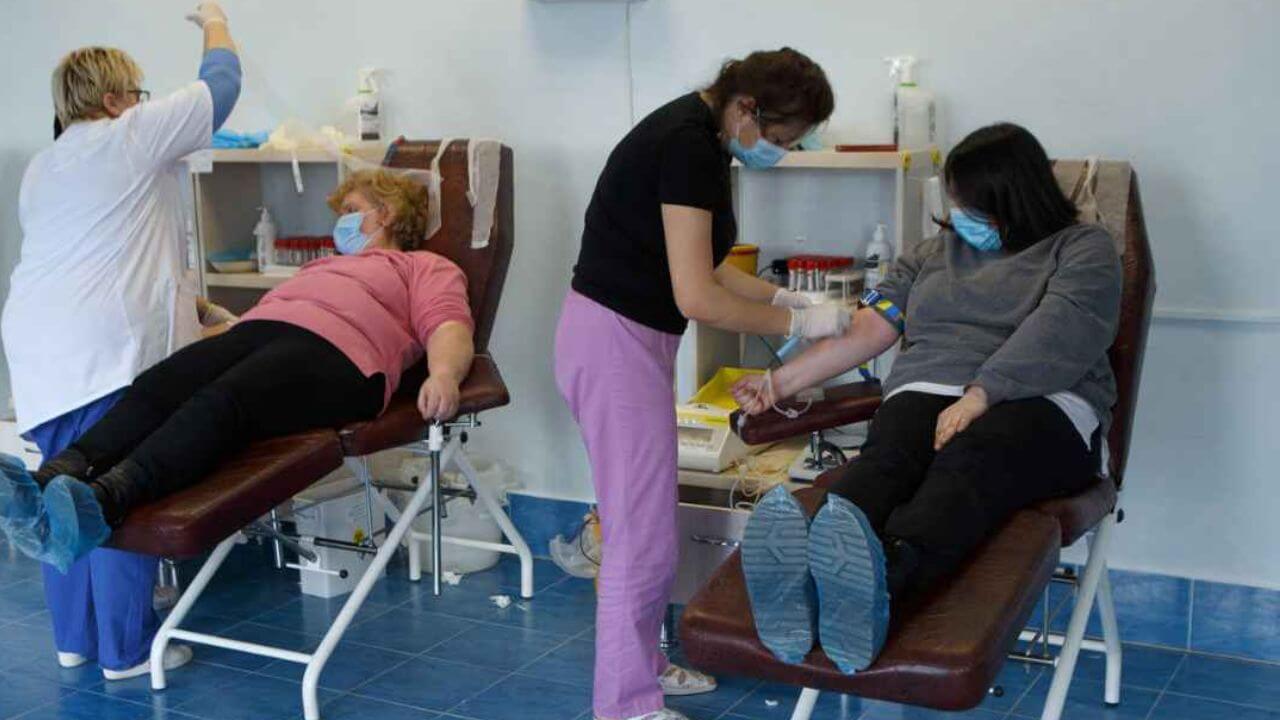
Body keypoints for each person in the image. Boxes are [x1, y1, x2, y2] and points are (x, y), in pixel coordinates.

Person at [731, 122, 1122, 674]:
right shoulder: (931, 255)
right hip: (933, 391)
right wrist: (778, 384)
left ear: (1012, 199)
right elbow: (871, 327)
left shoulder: (1083, 248)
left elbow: (1062, 329)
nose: (957, 213)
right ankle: (807, 580)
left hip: (1043, 403)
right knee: (890, 453)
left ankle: (884, 579)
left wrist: (983, 393)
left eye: (970, 204)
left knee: (971, 456)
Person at [1, 168, 474, 573]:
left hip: (345, 358)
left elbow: (449, 325)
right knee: (158, 385)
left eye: (350, 208)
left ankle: (100, 503)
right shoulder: (323, 267)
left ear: (386, 213)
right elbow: (267, 319)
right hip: (264, 332)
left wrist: (445, 375)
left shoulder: (424, 266)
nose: (341, 222)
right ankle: (46, 482)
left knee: (224, 401)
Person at [556, 47, 841, 720]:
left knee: (650, 520)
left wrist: (796, 303)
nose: (778, 152)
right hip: (612, 342)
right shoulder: (684, 144)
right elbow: (698, 299)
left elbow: (712, 267)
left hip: (628, 340)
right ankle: (625, 704)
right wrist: (799, 316)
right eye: (777, 139)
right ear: (746, 108)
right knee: (640, 532)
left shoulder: (705, 142)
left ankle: (646, 665)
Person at [0, 2, 242, 680]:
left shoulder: (45, 166)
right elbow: (221, 86)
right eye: (137, 91)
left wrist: (191, 305)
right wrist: (215, 22)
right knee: (111, 496)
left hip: (40, 349)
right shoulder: (129, 134)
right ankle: (128, 653)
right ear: (113, 100)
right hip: (100, 354)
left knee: (58, 492)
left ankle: (74, 643)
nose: (144, 101)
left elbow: (101, 252)